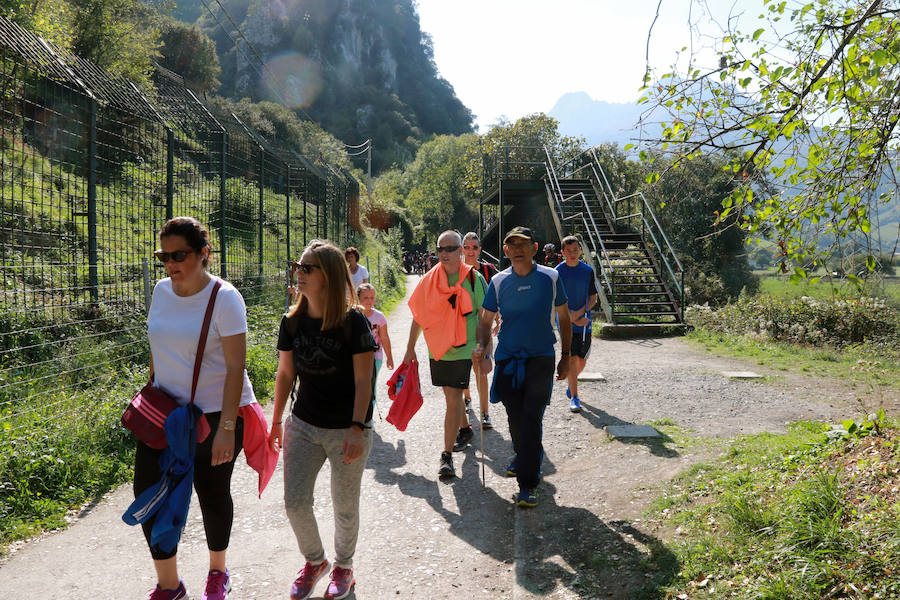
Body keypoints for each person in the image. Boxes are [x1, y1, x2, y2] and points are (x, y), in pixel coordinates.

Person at [137, 216, 263, 600]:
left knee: (211, 492)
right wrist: (151, 391)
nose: (171, 264)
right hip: (165, 417)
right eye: (164, 256)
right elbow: (159, 346)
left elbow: (235, 367)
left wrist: (228, 426)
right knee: (147, 492)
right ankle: (170, 585)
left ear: (204, 254)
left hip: (213, 417)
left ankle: (217, 571)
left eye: (180, 255)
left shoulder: (225, 298)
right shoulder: (161, 291)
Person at [268, 240, 377, 600]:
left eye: (307, 268)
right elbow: (285, 375)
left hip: (347, 427)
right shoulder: (292, 321)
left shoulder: (353, 321)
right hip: (304, 424)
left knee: (344, 505)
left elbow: (365, 380)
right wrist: (277, 420)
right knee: (295, 502)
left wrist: (357, 428)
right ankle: (315, 562)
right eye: (298, 266)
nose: (298, 273)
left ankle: (344, 567)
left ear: (327, 276)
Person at [473, 226, 571, 508]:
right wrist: (483, 348)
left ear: (534, 248)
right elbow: (485, 319)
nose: (517, 249)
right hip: (508, 359)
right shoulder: (499, 282)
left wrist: (565, 356)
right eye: (511, 245)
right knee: (515, 420)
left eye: (523, 244)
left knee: (531, 418)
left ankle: (528, 484)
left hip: (540, 358)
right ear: (506, 251)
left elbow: (564, 319)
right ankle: (525, 455)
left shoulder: (551, 278)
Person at [405, 230, 489, 478]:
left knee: (453, 398)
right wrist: (410, 348)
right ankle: (464, 428)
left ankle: (446, 456)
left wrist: (484, 349)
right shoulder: (429, 281)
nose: (444, 254)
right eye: (440, 249)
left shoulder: (474, 279)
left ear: (461, 251)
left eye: (450, 248)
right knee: (450, 397)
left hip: (465, 348)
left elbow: (485, 317)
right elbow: (419, 316)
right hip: (439, 348)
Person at [556, 236, 598, 412]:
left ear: (580, 250)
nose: (572, 254)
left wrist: (579, 314)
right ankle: (575, 396)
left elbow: (593, 298)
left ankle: (571, 383)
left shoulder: (587, 271)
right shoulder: (557, 272)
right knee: (572, 359)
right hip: (565, 322)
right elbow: (554, 298)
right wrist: (569, 317)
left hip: (584, 322)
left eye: (575, 250)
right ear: (562, 252)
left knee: (582, 360)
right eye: (568, 251)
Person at [461, 231, 498, 429]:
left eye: (474, 247)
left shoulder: (487, 271)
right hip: (460, 332)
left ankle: (485, 413)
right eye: (466, 247)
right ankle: (467, 398)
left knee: (481, 371)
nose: (470, 251)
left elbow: (494, 298)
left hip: (481, 328)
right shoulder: (455, 272)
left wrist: (498, 319)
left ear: (479, 250)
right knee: (463, 371)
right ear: (461, 249)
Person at [357, 282, 394, 379]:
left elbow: (384, 338)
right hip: (357, 356)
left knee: (370, 384)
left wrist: (389, 357)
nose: (369, 301)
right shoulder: (353, 316)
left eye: (372, 298)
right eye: (365, 298)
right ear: (358, 298)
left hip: (375, 356)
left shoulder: (379, 317)